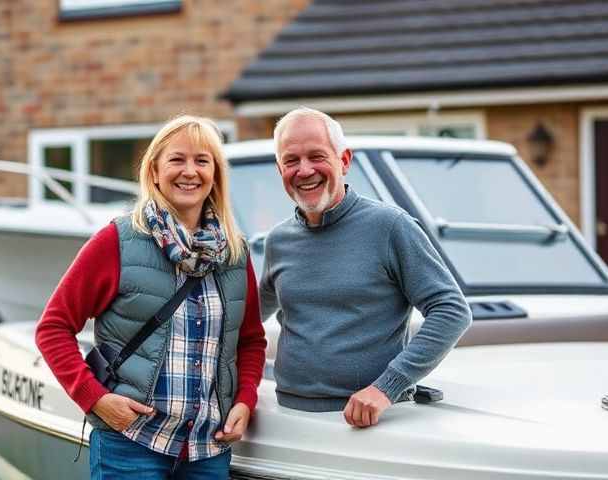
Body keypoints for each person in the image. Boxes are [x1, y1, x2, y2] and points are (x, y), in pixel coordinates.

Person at [36, 115, 266, 479]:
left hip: (207, 449)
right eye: (177, 159)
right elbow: (53, 328)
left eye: (202, 161)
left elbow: (250, 340)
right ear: (155, 172)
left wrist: (245, 399)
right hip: (131, 444)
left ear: (215, 175)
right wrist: (95, 398)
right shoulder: (117, 241)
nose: (189, 171)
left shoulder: (234, 255)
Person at [259, 107, 472, 428]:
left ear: (344, 161)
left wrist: (386, 388)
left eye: (317, 156)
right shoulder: (278, 240)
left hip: (371, 426)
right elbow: (243, 319)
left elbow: (452, 311)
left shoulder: (390, 226)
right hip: (289, 419)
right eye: (291, 161)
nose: (304, 170)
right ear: (280, 169)